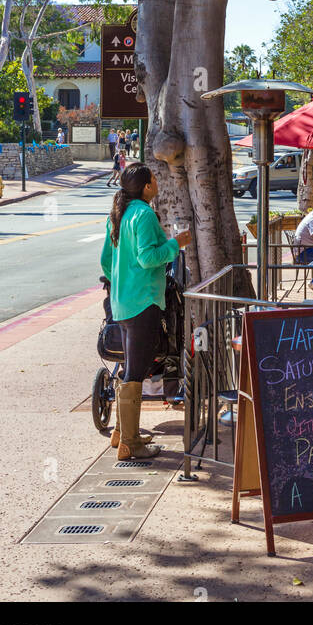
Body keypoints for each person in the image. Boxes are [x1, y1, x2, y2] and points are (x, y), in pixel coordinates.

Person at [100, 163, 191, 458]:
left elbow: (105, 261)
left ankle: (121, 432)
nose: (157, 182)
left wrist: (121, 282)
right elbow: (149, 258)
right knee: (137, 372)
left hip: (122, 302)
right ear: (146, 186)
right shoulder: (144, 214)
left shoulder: (119, 215)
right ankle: (130, 443)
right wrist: (176, 244)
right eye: (154, 178)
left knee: (130, 368)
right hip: (144, 301)